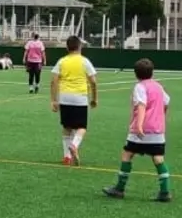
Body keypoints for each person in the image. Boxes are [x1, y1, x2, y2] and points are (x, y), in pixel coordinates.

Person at [104, 58, 172, 202]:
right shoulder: (158, 87)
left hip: (141, 130)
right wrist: (161, 115)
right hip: (157, 129)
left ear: (136, 74)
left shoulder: (140, 87)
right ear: (152, 72)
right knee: (158, 158)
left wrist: (139, 125)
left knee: (127, 154)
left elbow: (141, 105)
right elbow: (166, 102)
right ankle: (165, 192)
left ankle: (119, 189)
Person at [49, 36, 98, 166]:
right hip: (79, 97)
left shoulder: (62, 61)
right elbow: (93, 81)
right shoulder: (84, 61)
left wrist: (53, 100)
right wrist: (94, 98)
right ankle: (74, 145)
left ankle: (67, 157)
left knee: (67, 127)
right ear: (80, 47)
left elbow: (53, 81)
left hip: (64, 97)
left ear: (67, 47)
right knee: (81, 127)